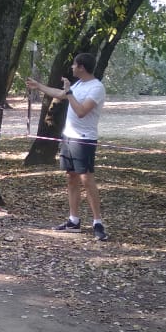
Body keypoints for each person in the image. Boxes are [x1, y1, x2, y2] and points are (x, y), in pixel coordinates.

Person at [25, 52, 109, 241]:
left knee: (87, 179)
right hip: (68, 137)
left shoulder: (96, 88)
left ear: (82, 67)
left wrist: (69, 92)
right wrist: (38, 86)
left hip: (84, 140)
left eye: (74, 65)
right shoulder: (78, 85)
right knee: (71, 177)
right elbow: (59, 94)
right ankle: (73, 221)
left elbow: (81, 111)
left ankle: (98, 223)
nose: (72, 67)